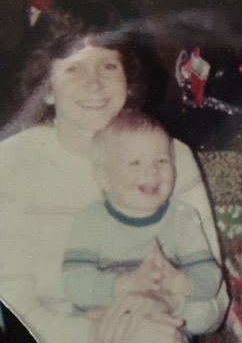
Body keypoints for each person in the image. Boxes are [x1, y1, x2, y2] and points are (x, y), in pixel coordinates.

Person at [0, 0, 228, 343]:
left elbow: (215, 302)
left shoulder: (171, 156)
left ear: (127, 80)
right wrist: (101, 333)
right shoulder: (11, 164)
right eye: (74, 69)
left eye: (108, 66)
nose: (94, 84)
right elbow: (13, 310)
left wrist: (165, 305)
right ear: (45, 89)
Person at [62, 110, 224, 336]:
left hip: (165, 313)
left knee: (202, 310)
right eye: (135, 163)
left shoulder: (183, 218)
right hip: (113, 318)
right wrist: (128, 284)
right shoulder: (91, 220)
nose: (152, 170)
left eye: (162, 161)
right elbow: (74, 282)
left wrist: (179, 281)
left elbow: (210, 276)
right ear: (104, 178)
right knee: (82, 315)